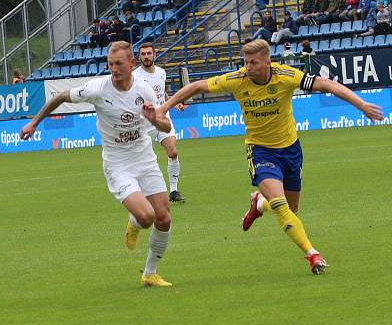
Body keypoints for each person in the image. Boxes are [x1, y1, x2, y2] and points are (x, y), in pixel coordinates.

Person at [157, 39, 383, 275]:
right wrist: (164, 109)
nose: (248, 67)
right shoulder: (237, 79)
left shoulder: (285, 76)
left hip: (290, 149)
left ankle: (259, 203)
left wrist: (361, 104)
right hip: (260, 150)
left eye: (253, 62)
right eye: (246, 62)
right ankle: (312, 254)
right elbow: (197, 87)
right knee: (281, 205)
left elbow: (327, 85)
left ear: (267, 61)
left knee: (291, 208)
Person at [20, 41, 175, 287]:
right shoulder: (98, 89)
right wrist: (33, 123)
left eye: (119, 64)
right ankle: (134, 224)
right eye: (110, 64)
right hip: (118, 164)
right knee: (146, 217)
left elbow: (165, 125)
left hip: (144, 158)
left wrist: (154, 119)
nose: (114, 69)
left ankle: (149, 273)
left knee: (164, 218)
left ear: (131, 64)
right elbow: (60, 96)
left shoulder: (144, 90)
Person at [133, 42, 186, 203]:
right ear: (139, 56)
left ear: (154, 54)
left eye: (149, 53)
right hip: (145, 123)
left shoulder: (161, 73)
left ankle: (174, 191)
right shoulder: (135, 76)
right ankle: (142, 194)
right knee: (143, 161)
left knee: (173, 153)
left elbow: (162, 92)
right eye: (143, 54)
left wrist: (173, 102)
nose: (146, 56)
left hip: (163, 118)